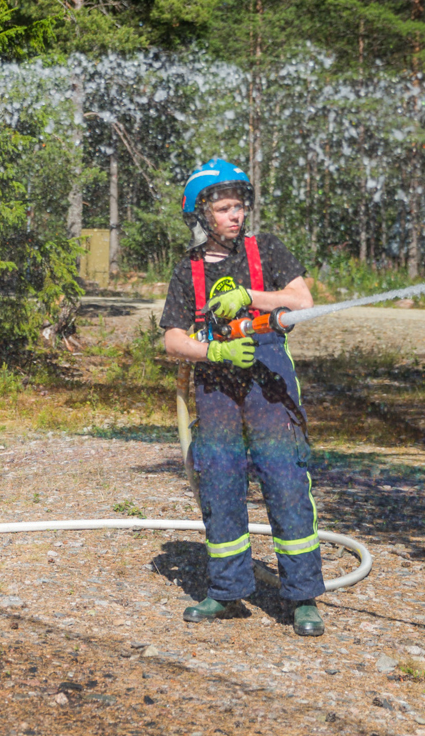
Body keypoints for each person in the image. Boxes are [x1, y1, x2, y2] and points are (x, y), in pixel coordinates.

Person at [158, 159, 324, 637]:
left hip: (269, 379)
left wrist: (251, 296)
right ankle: (228, 592)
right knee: (220, 481)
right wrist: (213, 349)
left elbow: (303, 302)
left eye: (239, 206)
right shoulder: (186, 271)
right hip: (215, 384)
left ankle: (302, 596)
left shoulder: (266, 250)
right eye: (224, 208)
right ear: (201, 214)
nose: (236, 215)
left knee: (286, 480)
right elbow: (172, 340)